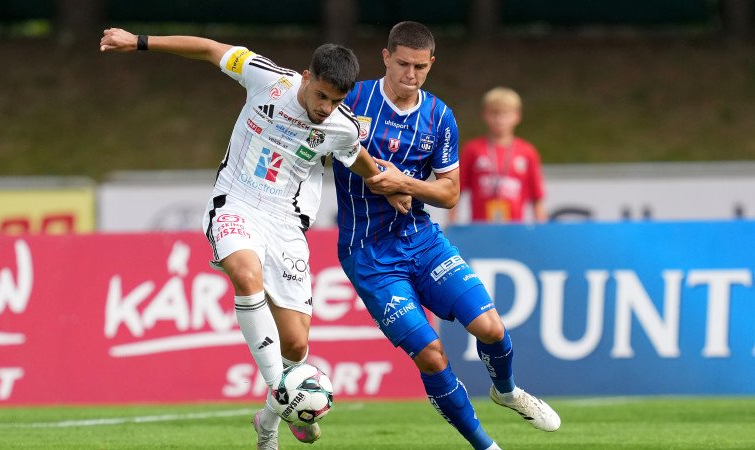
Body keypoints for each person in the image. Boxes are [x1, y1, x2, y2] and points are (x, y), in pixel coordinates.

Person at [100, 28, 409, 450]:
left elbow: (358, 159)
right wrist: (137, 41)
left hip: (286, 223)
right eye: (321, 95)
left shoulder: (342, 127)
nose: (325, 108)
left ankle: (267, 423)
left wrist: (387, 184)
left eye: (335, 101)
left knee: (297, 345)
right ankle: (284, 393)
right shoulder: (267, 78)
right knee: (246, 277)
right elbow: (209, 49)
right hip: (237, 202)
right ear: (305, 76)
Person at [332, 22, 560, 450]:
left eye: (420, 66)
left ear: (431, 63)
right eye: (402, 64)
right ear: (385, 57)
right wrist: (381, 176)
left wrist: (407, 185)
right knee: (433, 355)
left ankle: (506, 391)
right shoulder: (354, 99)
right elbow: (331, 141)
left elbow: (450, 193)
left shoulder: (439, 116)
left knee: (491, 327)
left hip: (423, 240)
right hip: (370, 255)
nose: (410, 74)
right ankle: (485, 445)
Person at [451, 87, 547, 224]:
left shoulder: (527, 152)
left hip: (515, 230)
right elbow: (456, 191)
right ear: (485, 115)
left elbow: (536, 197)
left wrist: (541, 232)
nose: (500, 120)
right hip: (480, 229)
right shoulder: (472, 149)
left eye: (505, 114)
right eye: (494, 114)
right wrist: (452, 224)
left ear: (517, 116)